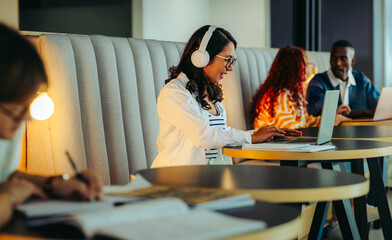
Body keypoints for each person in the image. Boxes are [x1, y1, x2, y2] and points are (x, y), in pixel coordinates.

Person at [151, 25, 301, 168]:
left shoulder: (210, 93)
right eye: (227, 60)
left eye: (232, 61)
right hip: (178, 179)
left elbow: (221, 134)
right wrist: (251, 137)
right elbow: (204, 136)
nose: (230, 68)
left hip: (211, 177)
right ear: (202, 57)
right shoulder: (174, 93)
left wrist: (266, 133)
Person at [0, 24, 103, 228]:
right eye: (16, 110)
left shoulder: (12, 124)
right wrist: (9, 197)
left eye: (27, 107)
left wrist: (53, 184)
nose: (25, 119)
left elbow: (5, 174)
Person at [250, 46, 322, 129]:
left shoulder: (291, 94)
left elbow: (305, 121)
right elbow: (291, 129)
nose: (308, 68)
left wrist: (331, 120)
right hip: (274, 141)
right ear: (295, 68)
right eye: (305, 64)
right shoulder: (278, 97)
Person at [306, 40, 380, 116]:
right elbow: (317, 112)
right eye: (334, 58)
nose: (338, 63)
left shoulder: (361, 79)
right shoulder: (318, 82)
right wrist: (365, 112)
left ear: (352, 62)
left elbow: (379, 107)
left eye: (343, 59)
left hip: (363, 127)